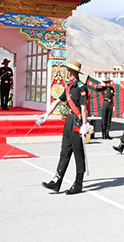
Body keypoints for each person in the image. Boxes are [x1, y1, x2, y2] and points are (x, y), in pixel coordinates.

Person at [38, 60, 90, 195]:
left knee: (78, 154)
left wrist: (84, 125)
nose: (67, 73)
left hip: (77, 123)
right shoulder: (68, 88)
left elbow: (84, 109)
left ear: (73, 72)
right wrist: (45, 115)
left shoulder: (81, 87)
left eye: (68, 71)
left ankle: (78, 183)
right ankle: (57, 181)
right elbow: (57, 101)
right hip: (68, 121)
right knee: (64, 152)